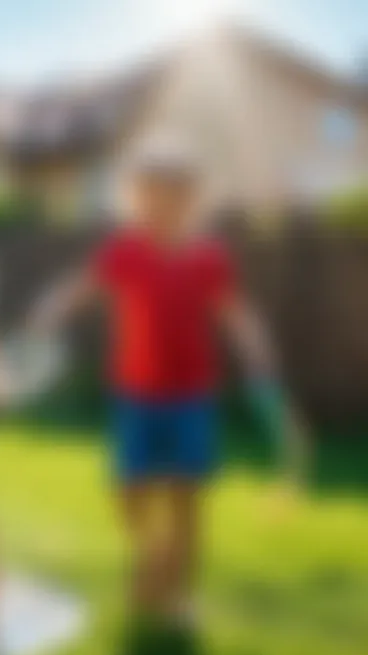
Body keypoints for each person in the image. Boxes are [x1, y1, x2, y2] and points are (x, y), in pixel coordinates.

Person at [27, 142, 301, 622]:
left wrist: (255, 348)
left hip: (191, 394)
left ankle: (179, 596)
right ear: (133, 200)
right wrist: (50, 310)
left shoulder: (209, 257)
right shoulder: (125, 251)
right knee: (127, 489)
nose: (160, 205)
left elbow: (235, 313)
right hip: (136, 393)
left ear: (194, 201)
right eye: (149, 195)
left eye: (173, 195)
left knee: (185, 497)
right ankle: (153, 555)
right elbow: (82, 287)